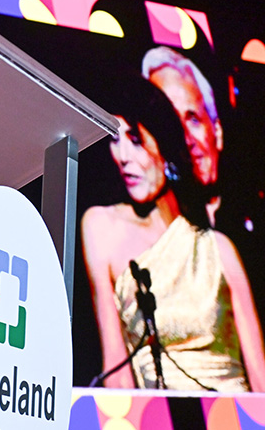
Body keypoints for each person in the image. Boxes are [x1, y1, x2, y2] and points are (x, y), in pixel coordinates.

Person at [81, 77, 265, 392]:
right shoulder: (101, 227)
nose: (123, 155)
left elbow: (260, 376)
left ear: (164, 147)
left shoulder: (218, 249)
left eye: (136, 140)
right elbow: (115, 368)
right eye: (114, 139)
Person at [141, 46, 265, 314]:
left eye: (193, 119)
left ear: (217, 130)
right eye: (172, 123)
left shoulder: (255, 222)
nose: (187, 139)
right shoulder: (152, 239)